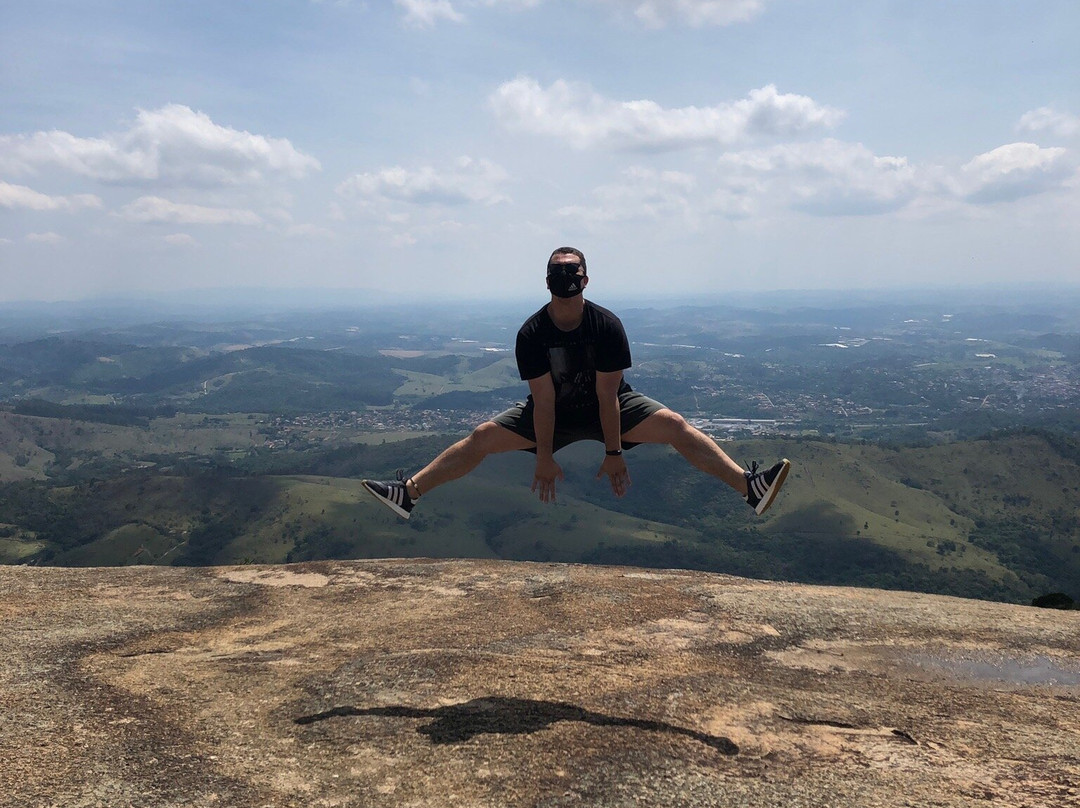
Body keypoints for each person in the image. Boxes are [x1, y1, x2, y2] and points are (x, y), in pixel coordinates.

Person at [362, 247, 790, 519]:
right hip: (556, 414)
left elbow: (608, 396)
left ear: (585, 280)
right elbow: (544, 403)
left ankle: (748, 488)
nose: (565, 279)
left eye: (571, 271)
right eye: (559, 271)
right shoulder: (532, 334)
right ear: (549, 281)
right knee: (482, 437)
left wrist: (614, 452)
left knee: (675, 425)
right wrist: (543, 457)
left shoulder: (606, 326)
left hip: (610, 409)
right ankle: (410, 493)